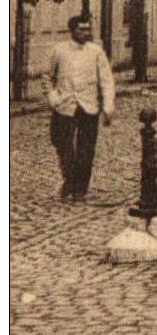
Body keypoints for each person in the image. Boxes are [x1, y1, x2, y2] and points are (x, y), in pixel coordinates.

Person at [44, 15, 115, 202]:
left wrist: (108, 106)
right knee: (62, 144)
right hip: (65, 106)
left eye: (88, 29)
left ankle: (79, 189)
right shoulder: (58, 51)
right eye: (81, 29)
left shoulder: (96, 52)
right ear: (72, 30)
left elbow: (107, 81)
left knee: (86, 149)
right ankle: (69, 180)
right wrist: (54, 98)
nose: (86, 33)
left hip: (88, 106)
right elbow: (47, 77)